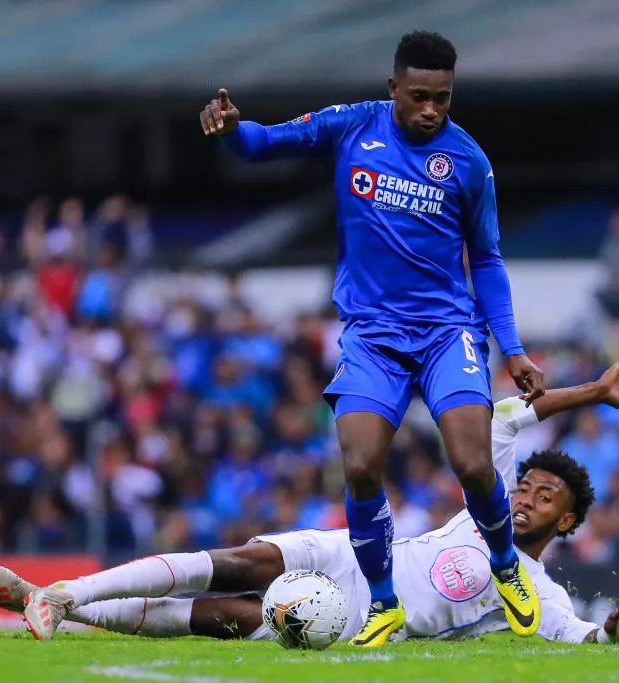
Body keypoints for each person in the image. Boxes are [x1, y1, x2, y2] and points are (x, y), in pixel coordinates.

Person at [192, 31, 545, 646]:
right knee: (358, 468)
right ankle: (383, 602)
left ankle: (507, 563)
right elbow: (267, 142)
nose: (431, 109)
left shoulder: (468, 162)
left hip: (446, 332)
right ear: (393, 90)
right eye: (419, 97)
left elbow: (485, 258)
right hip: (372, 335)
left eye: (443, 99)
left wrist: (511, 347)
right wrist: (231, 131)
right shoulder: (353, 125)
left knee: (470, 460)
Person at [0, 355, 619, 645]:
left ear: (567, 521)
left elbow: (578, 635)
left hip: (356, 616)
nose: (524, 498)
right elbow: (508, 416)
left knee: (220, 614)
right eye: (524, 485)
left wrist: (615, 632)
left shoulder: (540, 590)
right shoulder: (478, 513)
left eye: (545, 497)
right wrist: (590, 391)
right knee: (235, 558)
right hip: (357, 552)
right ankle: (65, 594)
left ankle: (66, 611)